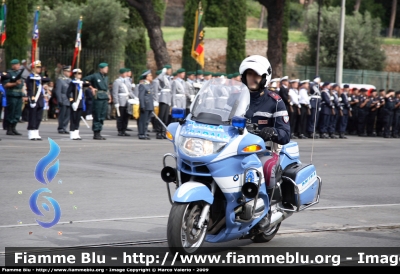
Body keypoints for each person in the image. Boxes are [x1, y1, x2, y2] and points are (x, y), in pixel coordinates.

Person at [239, 55, 290, 227]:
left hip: (265, 151)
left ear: (264, 77)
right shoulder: (235, 98)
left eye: (256, 75)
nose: (252, 78)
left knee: (266, 169)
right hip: (236, 149)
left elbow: (285, 134)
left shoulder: (275, 102)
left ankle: (266, 211)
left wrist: (273, 131)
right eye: (249, 74)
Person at [83, 62, 111, 140]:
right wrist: (91, 88)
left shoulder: (106, 77)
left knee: (102, 115)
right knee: (97, 115)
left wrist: (109, 95)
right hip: (98, 97)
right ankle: (96, 133)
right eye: (105, 68)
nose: (107, 69)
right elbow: (85, 80)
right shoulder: (95, 76)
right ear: (101, 69)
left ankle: (99, 131)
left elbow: (106, 88)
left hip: (105, 97)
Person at [26, 60, 51, 140]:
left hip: (40, 100)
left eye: (40, 67)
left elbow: (48, 79)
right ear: (33, 68)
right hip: (34, 99)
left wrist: (39, 77)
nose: (39, 69)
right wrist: (32, 98)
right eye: (37, 67)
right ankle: (31, 132)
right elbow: (30, 89)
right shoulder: (30, 78)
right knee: (32, 116)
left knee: (38, 117)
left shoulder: (39, 78)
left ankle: (36, 131)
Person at [66, 68, 90, 140]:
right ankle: (72, 133)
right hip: (74, 103)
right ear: (75, 75)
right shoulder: (73, 83)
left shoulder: (81, 83)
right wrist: (72, 102)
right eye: (78, 74)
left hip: (80, 103)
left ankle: (76, 133)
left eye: (80, 74)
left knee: (77, 119)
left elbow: (89, 83)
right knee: (73, 119)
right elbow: (68, 93)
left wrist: (81, 82)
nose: (80, 75)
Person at [2, 59, 25, 136]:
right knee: (11, 112)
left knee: (17, 113)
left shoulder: (19, 73)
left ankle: (14, 128)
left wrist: (23, 94)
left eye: (19, 64)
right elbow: (6, 85)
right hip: (12, 95)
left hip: (19, 95)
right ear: (13, 65)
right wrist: (15, 83)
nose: (18, 66)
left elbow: (22, 85)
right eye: (17, 64)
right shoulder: (8, 73)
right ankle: (9, 129)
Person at [112, 68, 136, 136]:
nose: (126, 74)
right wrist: (116, 102)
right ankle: (120, 130)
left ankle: (124, 129)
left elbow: (130, 91)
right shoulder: (117, 81)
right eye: (125, 73)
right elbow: (115, 93)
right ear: (121, 74)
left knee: (126, 116)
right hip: (121, 101)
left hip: (127, 100)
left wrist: (134, 97)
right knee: (120, 117)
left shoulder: (127, 81)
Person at [153, 67, 171, 139]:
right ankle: (158, 132)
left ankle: (163, 131)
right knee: (160, 117)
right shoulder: (160, 79)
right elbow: (155, 92)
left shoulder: (168, 78)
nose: (170, 71)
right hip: (162, 99)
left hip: (167, 99)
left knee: (165, 118)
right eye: (168, 70)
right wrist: (163, 72)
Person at [55, 65, 72, 134]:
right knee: (62, 115)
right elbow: (58, 91)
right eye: (68, 71)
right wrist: (59, 100)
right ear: (64, 72)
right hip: (63, 99)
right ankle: (61, 127)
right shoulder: (60, 80)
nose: (69, 73)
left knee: (68, 115)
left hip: (69, 100)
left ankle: (65, 127)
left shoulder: (70, 80)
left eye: (69, 71)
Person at [138, 70, 154, 140]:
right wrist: (142, 106)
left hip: (150, 105)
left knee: (147, 121)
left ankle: (144, 132)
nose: (151, 77)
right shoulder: (143, 85)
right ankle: (141, 134)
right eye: (150, 75)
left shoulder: (148, 85)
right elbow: (141, 96)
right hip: (145, 105)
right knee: (143, 120)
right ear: (147, 77)